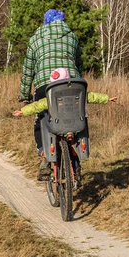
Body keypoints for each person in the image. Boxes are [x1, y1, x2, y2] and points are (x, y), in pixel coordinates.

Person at [18, 9, 83, 180]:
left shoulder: (35, 39)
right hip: (71, 86)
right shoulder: (73, 37)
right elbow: (79, 63)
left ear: (45, 22)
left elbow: (28, 70)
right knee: (74, 119)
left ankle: (44, 156)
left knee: (41, 121)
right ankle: (76, 164)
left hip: (45, 87)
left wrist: (24, 95)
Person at [12, 68, 117, 117]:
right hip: (76, 120)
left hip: (58, 123)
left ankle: (50, 151)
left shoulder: (53, 95)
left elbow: (38, 105)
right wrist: (106, 98)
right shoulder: (77, 92)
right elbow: (92, 96)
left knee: (46, 125)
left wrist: (23, 111)